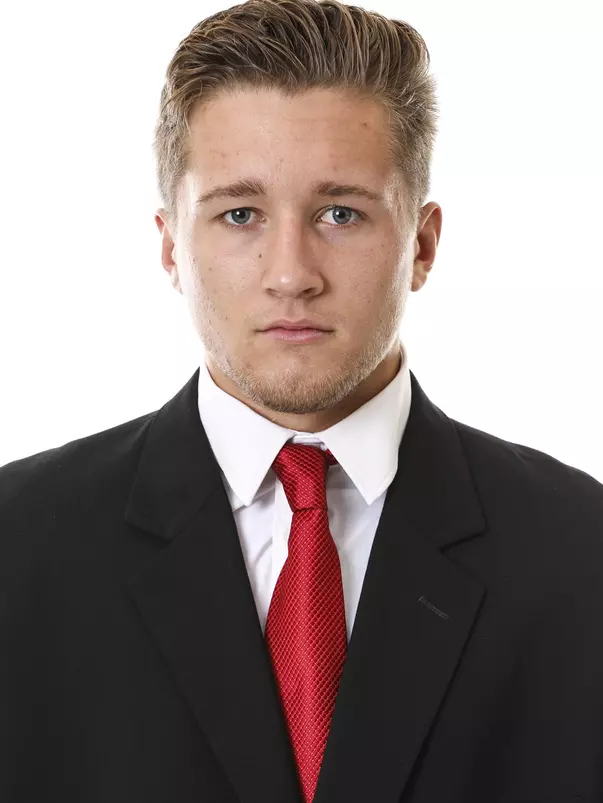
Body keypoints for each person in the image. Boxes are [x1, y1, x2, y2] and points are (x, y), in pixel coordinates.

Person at [1, 0, 602, 801]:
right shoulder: (18, 543)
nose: (291, 273)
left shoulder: (580, 552)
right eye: (239, 214)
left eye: (340, 213)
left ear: (421, 245)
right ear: (171, 245)